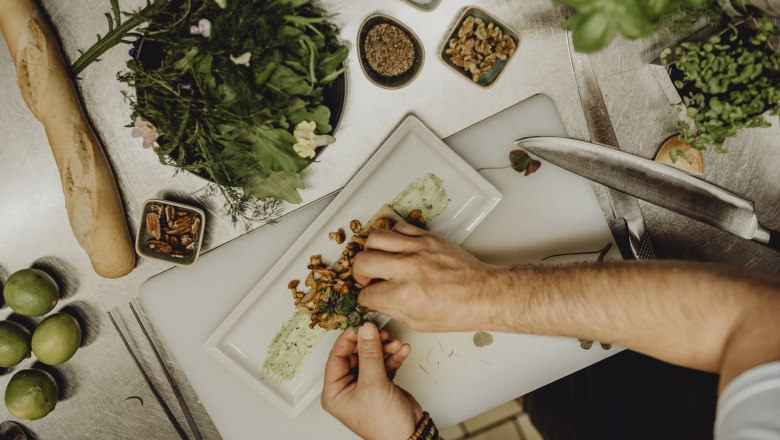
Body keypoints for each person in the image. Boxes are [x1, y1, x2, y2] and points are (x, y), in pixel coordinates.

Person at [321, 222, 780, 440]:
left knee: (543, 388)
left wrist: (411, 437)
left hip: (586, 430)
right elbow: (758, 317)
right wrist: (482, 294)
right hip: (696, 375)